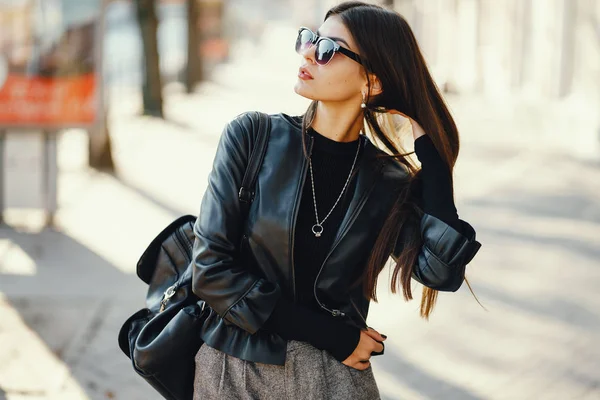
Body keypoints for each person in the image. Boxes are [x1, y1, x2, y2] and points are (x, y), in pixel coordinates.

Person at [191, 2, 482, 399]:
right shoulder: (253, 137)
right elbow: (210, 271)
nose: (308, 52)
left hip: (335, 381)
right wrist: (332, 335)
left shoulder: (388, 181)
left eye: (328, 49)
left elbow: (439, 272)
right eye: (310, 39)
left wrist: (431, 151)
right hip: (237, 372)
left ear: (372, 82)